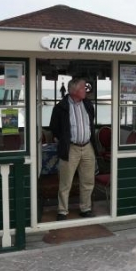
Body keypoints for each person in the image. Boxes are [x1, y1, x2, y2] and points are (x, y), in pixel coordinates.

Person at [50, 78, 98, 221]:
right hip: (71, 148)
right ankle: (62, 211)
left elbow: (91, 123)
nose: (86, 90)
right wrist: (64, 140)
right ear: (74, 91)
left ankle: (85, 208)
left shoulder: (88, 105)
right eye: (83, 88)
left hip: (87, 146)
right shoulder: (61, 107)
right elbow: (54, 128)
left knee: (88, 181)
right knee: (66, 182)